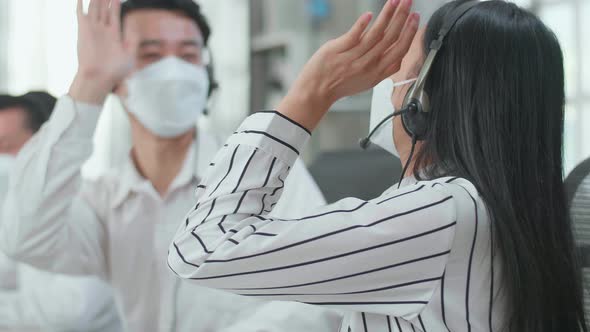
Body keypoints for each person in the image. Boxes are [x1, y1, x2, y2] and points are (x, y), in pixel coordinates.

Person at [167, 0, 587, 331]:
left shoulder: (438, 215)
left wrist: (308, 96)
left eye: (400, 67)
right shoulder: (501, 208)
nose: (386, 87)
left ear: (420, 99)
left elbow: (203, 249)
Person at [0, 0, 342, 331]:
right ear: (115, 78)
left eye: (189, 55)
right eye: (150, 54)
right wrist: (88, 83)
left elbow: (321, 291)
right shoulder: (103, 200)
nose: (173, 71)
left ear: (206, 73)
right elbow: (24, 237)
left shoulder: (266, 171)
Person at [0, 92, 121, 332]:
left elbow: (69, 311)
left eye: (6, 146)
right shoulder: (21, 213)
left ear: (47, 149)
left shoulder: (85, 206)